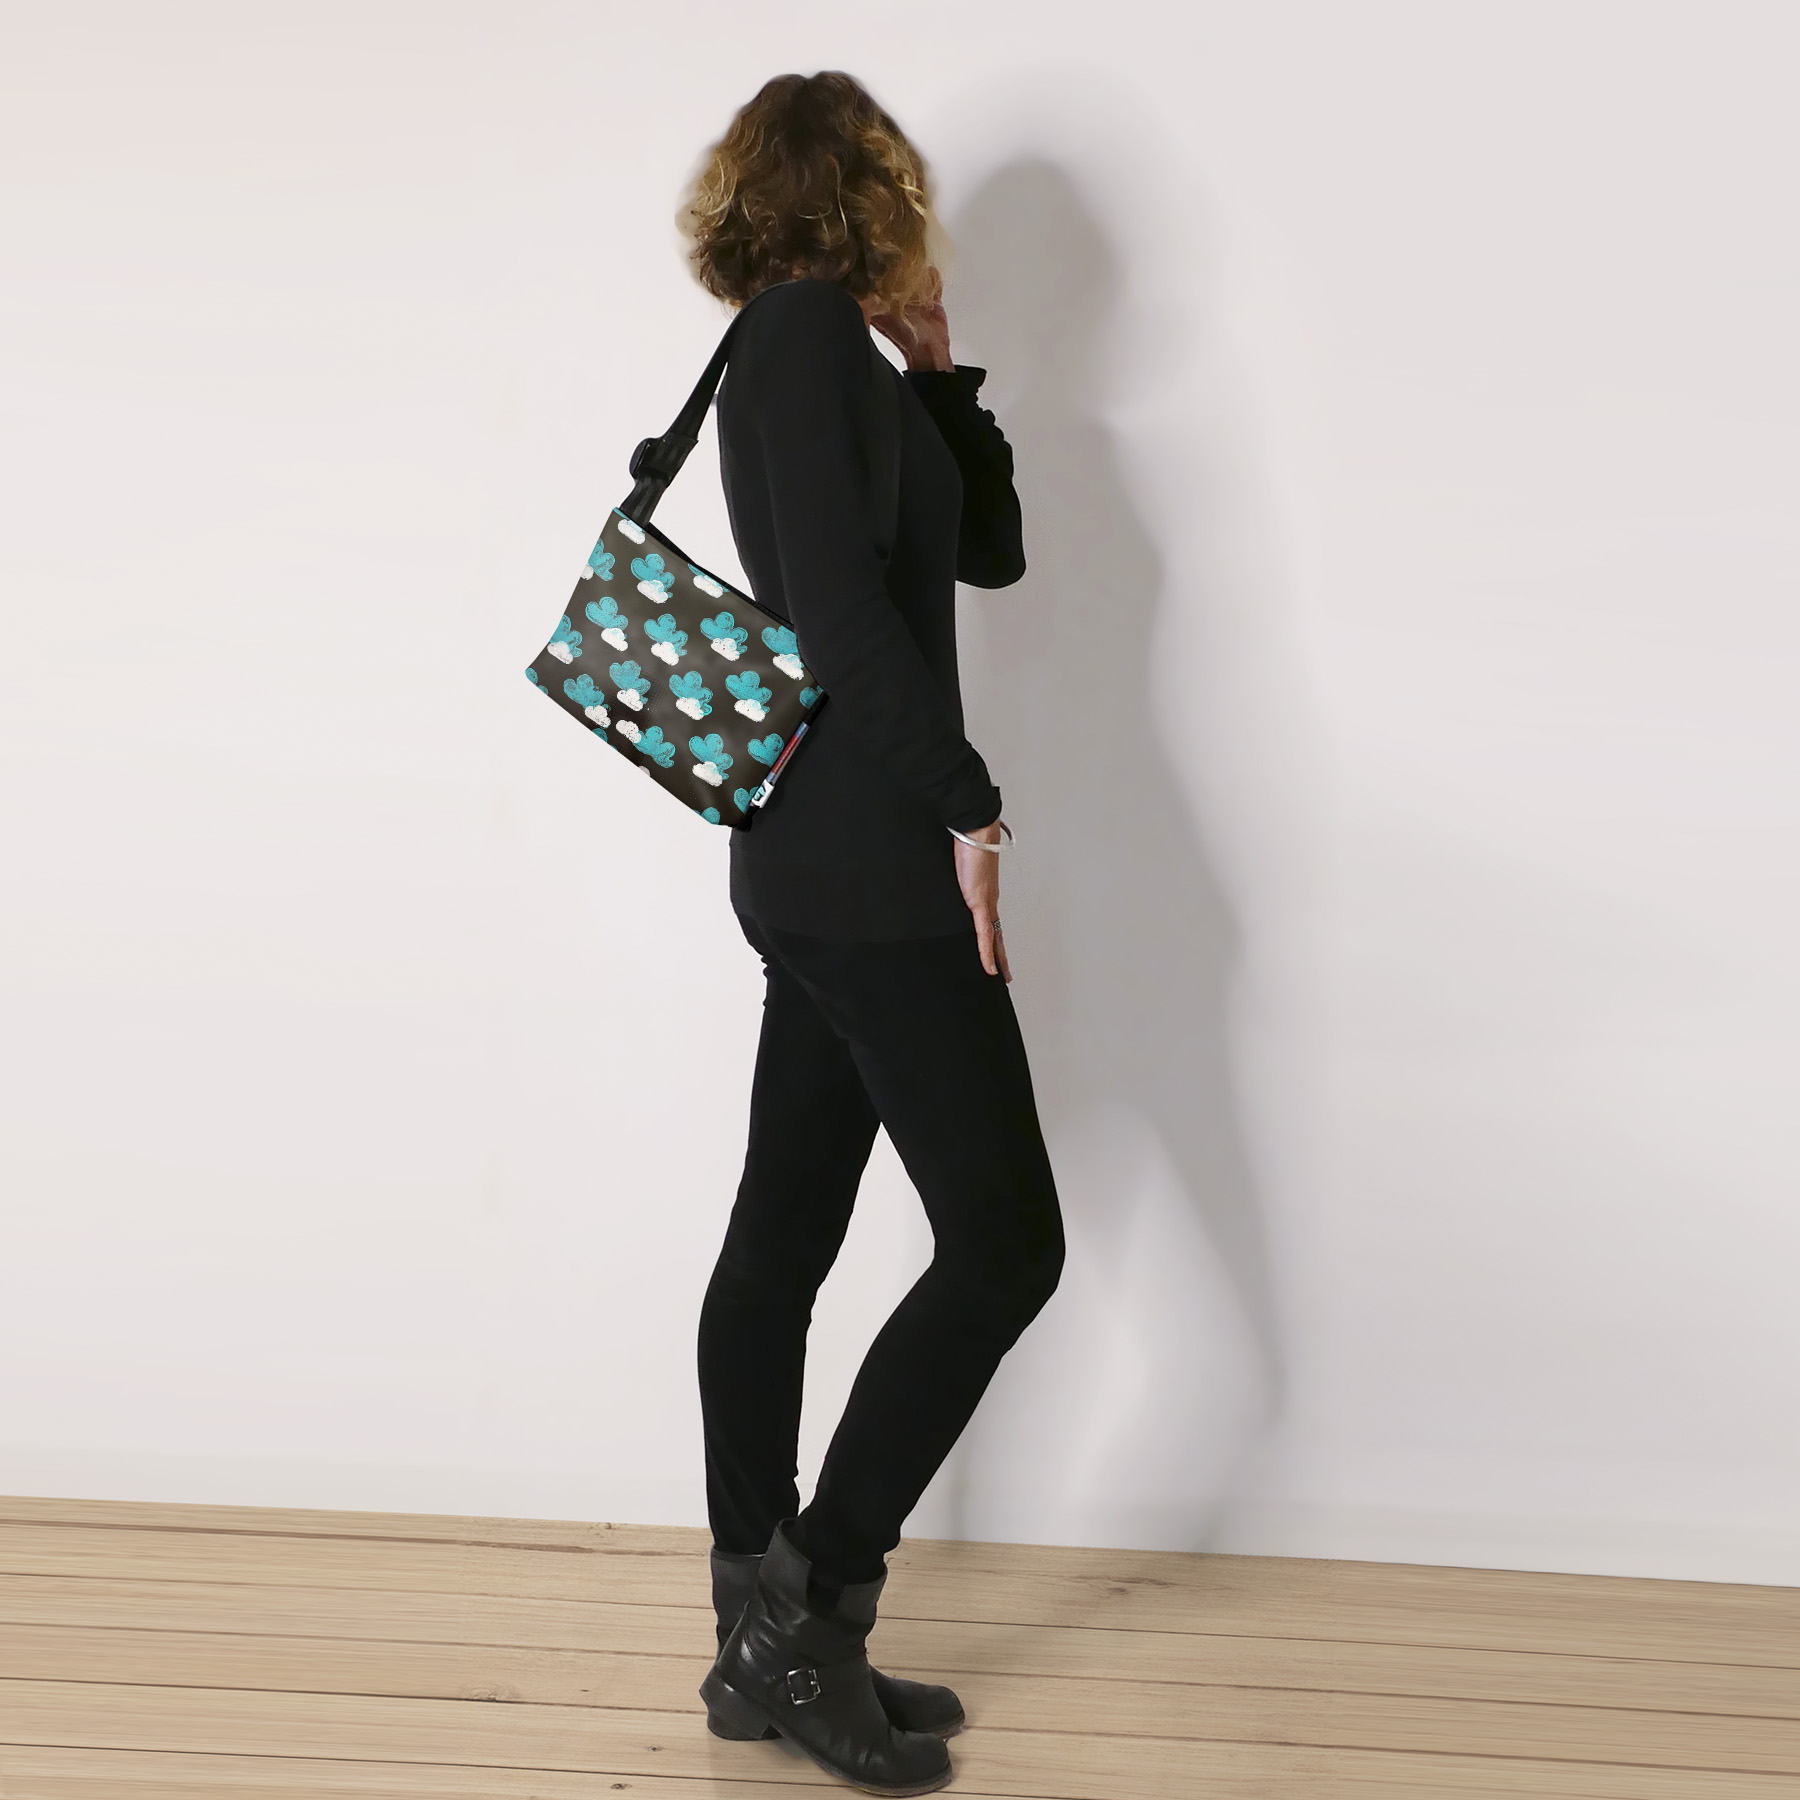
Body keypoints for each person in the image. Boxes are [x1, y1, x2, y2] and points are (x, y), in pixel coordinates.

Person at [679, 71, 1065, 1798]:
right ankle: (806, 1611)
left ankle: (757, 1646)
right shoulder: (790, 345)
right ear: (868, 191)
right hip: (863, 866)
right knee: (1006, 1247)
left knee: (786, 1238)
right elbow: (840, 624)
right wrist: (970, 809)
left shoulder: (841, 354)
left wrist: (943, 372)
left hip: (821, 860)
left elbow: (991, 553)